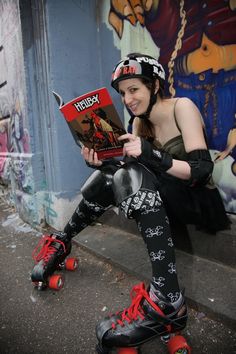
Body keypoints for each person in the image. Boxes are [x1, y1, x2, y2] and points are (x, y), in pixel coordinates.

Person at [31, 53, 230, 352]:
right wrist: (99, 163)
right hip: (165, 194)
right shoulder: (138, 123)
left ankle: (167, 300)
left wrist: (149, 154)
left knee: (132, 172)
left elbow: (202, 172)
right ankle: (61, 240)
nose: (128, 99)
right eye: (123, 93)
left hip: (198, 198)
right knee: (110, 177)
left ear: (154, 85)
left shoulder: (182, 107)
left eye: (134, 89)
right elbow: (129, 173)